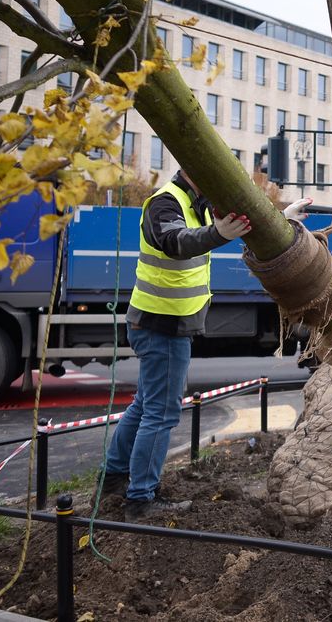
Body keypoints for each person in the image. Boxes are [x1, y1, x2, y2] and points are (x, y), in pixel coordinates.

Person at [102, 174, 305, 520]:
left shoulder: (195, 204)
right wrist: (217, 234)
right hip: (162, 326)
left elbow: (240, 228)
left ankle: (114, 479)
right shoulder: (166, 202)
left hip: (162, 324)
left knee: (144, 406)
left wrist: (282, 219)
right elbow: (175, 242)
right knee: (160, 413)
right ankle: (140, 499)